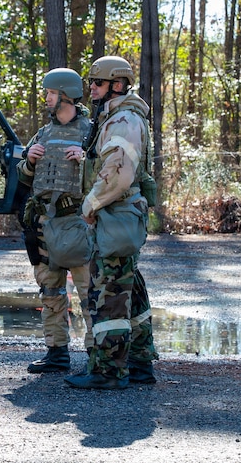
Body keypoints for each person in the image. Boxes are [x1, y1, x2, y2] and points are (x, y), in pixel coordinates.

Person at [64, 56, 159, 389]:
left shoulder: (122, 121)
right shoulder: (119, 117)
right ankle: (139, 363)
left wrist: (90, 204)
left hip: (114, 213)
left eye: (97, 82)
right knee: (129, 286)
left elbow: (117, 176)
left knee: (110, 290)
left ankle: (108, 370)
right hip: (120, 215)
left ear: (117, 85)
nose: (91, 87)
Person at [17, 68, 93, 373]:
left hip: (76, 223)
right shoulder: (43, 133)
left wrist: (85, 159)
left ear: (65, 95)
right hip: (44, 224)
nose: (46, 98)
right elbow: (24, 176)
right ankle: (56, 352)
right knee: (50, 291)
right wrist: (30, 160)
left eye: (50, 93)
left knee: (90, 293)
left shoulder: (91, 131)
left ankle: (97, 353)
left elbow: (106, 175)